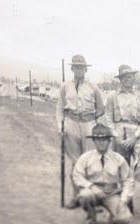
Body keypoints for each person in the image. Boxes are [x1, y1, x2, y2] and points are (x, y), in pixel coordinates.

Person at [56, 55, 105, 209]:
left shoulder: (93, 87)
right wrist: (60, 126)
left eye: (81, 67)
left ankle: (92, 197)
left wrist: (91, 119)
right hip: (71, 124)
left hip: (88, 125)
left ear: (85, 69)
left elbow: (101, 109)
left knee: (91, 162)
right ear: (72, 68)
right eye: (76, 66)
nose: (78, 69)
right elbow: (59, 108)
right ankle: (76, 196)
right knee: (75, 163)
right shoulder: (65, 86)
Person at [105, 64, 140, 212]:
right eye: (124, 77)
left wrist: (135, 137)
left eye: (129, 76)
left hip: (136, 135)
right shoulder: (112, 97)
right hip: (119, 136)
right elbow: (108, 118)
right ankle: (123, 205)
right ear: (120, 79)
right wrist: (116, 136)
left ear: (133, 78)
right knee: (120, 170)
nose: (127, 80)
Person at [72, 123, 134, 224]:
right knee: (84, 196)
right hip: (93, 192)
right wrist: (91, 186)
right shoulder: (86, 157)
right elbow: (77, 175)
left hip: (111, 193)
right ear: (94, 141)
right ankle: (91, 216)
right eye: (98, 139)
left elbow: (128, 180)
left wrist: (123, 200)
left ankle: (112, 216)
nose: (101, 142)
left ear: (109, 141)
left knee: (125, 218)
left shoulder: (118, 158)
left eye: (104, 139)